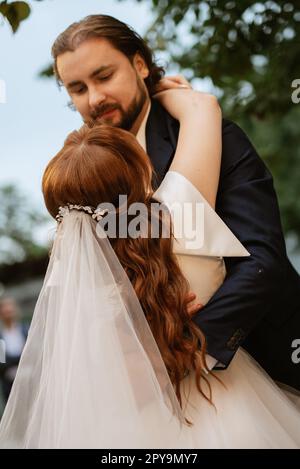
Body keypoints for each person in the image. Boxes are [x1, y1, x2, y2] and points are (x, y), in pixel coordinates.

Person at [0, 88, 299, 448]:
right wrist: (157, 85)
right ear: (141, 176)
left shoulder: (75, 287)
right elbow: (202, 107)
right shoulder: (183, 215)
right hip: (231, 410)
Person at [50, 14, 300, 391]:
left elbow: (262, 259)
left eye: (104, 76)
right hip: (145, 383)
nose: (95, 98)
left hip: (264, 359)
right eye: (77, 88)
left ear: (139, 64)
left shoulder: (211, 133)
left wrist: (185, 347)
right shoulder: (83, 171)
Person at [0, 298, 27, 402]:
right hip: (10, 387)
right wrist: (22, 356)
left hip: (30, 381)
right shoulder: (1, 337)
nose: (8, 313)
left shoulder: (26, 331)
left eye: (10, 310)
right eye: (5, 311)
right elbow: (2, 362)